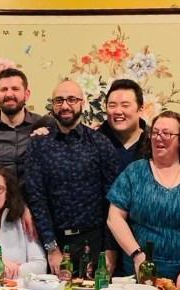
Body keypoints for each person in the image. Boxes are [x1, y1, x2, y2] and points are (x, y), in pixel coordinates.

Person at [107, 111, 180, 288]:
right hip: (138, 272)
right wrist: (137, 255)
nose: (159, 138)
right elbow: (114, 218)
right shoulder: (134, 172)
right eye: (155, 132)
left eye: (167, 133)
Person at [24, 80, 121, 275]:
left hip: (94, 243)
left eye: (71, 99)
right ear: (52, 105)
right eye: (59, 100)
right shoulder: (38, 145)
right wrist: (52, 248)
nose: (65, 106)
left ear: (82, 103)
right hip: (54, 242)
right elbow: (37, 198)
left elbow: (114, 201)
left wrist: (110, 249)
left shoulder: (101, 144)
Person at [97, 79, 149, 168]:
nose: (118, 111)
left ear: (140, 109)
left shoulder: (153, 141)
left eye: (125, 105)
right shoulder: (94, 141)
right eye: (112, 105)